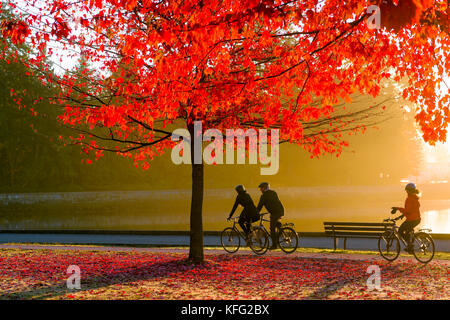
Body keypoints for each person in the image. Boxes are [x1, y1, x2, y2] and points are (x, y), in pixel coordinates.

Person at [391, 182, 421, 253]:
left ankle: (410, 245)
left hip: (411, 220)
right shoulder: (415, 198)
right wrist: (402, 215)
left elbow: (408, 211)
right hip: (416, 219)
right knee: (408, 232)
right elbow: (411, 210)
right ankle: (410, 246)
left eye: (407, 190)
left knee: (400, 231)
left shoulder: (410, 199)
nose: (406, 191)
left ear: (408, 190)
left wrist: (397, 208)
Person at [256, 182, 284, 250]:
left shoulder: (264, 196)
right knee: (276, 224)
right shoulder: (273, 192)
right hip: (280, 210)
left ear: (264, 188)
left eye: (261, 188)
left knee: (272, 229)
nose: (260, 190)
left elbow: (259, 206)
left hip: (274, 212)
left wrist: (255, 213)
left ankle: (275, 245)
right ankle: (281, 231)